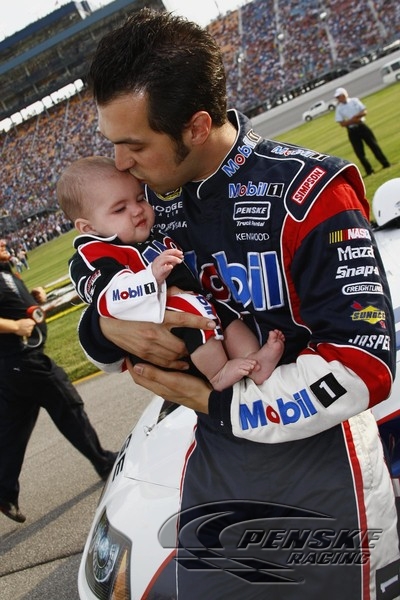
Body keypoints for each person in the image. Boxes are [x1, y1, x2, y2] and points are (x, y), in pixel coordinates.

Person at [79, 9, 399, 599]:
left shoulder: (311, 193)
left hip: (324, 472)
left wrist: (221, 403)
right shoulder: (145, 207)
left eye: (134, 145)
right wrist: (105, 328)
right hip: (210, 465)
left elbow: (365, 366)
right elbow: (105, 333)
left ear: (197, 127)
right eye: (114, 145)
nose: (120, 164)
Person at [56, 155, 285, 390]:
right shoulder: (91, 254)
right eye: (120, 209)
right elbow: (107, 296)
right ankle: (217, 373)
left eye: (140, 198)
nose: (137, 210)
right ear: (89, 227)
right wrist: (150, 278)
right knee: (194, 317)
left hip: (196, 299)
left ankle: (255, 361)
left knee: (229, 319)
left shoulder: (145, 233)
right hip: (162, 318)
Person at [0, 239, 118, 524]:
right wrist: (15, 326)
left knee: (16, 428)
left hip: (15, 366)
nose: (3, 242)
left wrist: (32, 299)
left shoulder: (4, 271)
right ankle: (104, 463)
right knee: (68, 405)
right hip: (23, 360)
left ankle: (4, 491)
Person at [334, 86, 391, 177]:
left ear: (344, 95)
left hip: (362, 126)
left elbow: (364, 111)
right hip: (352, 131)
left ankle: (385, 163)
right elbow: (342, 123)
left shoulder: (354, 101)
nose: (338, 99)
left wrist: (355, 117)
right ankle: (369, 170)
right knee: (359, 152)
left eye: (339, 96)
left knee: (374, 145)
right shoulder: (339, 108)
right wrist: (353, 121)